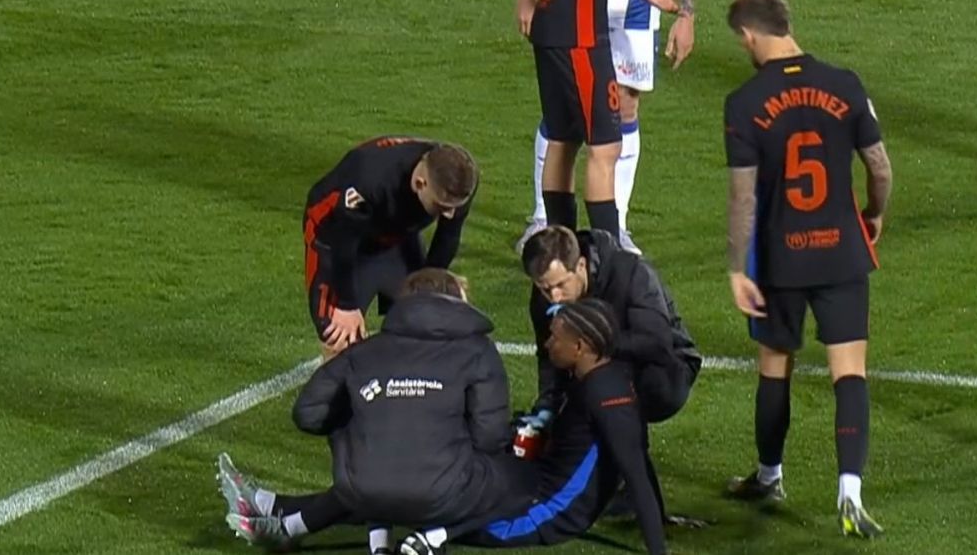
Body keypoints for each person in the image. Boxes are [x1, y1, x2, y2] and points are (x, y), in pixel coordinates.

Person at [721, 0, 893, 539]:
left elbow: (743, 197)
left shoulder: (744, 102)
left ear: (749, 36)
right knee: (850, 372)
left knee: (776, 366)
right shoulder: (846, 84)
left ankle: (770, 476)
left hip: (781, 258)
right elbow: (880, 167)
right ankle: (850, 491)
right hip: (842, 251)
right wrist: (874, 213)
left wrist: (737, 268)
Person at [218, 269, 531, 555]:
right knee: (524, 480)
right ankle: (432, 538)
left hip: (362, 487)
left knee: (379, 461)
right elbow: (489, 438)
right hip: (440, 492)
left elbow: (308, 414)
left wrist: (362, 422)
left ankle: (325, 530)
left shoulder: (364, 351)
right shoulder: (477, 351)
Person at [401, 299, 670, 555]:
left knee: (445, 511)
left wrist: (657, 549)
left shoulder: (608, 397)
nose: (547, 343)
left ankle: (434, 536)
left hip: (551, 509)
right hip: (534, 480)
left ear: (579, 347)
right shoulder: (591, 379)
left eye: (555, 338)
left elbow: (636, 470)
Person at [515, 0, 697, 255]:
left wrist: (685, 13)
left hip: (608, 14)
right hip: (579, 21)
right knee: (593, 139)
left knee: (575, 131)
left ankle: (580, 242)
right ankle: (597, 250)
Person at [303, 136, 479, 355]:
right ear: (420, 183)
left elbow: (448, 236)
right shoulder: (369, 179)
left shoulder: (460, 180)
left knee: (423, 323)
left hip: (395, 232)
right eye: (441, 207)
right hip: (333, 234)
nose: (450, 214)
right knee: (339, 336)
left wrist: (429, 289)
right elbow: (344, 241)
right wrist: (347, 305)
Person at [520, 225, 700, 425]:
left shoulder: (631, 273)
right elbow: (549, 354)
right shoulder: (544, 294)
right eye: (545, 289)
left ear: (581, 265)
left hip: (666, 369)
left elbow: (656, 342)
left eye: (561, 285)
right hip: (608, 361)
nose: (554, 297)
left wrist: (592, 342)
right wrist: (547, 405)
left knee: (598, 391)